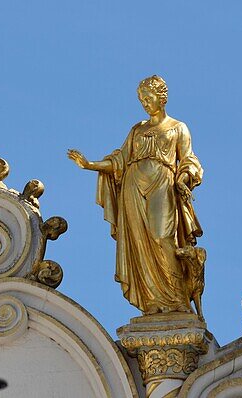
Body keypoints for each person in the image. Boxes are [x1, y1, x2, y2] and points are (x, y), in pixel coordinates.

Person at [68, 76, 203, 314]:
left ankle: (178, 299)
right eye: (141, 99)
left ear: (162, 98)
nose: (145, 103)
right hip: (132, 185)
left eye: (148, 98)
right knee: (139, 242)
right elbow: (120, 160)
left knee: (162, 237)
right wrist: (89, 164)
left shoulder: (177, 127)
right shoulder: (137, 130)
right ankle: (152, 301)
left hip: (162, 183)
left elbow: (189, 160)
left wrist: (182, 179)